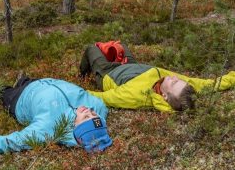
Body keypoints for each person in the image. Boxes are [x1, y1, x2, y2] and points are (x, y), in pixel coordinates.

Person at [0, 77, 112, 153]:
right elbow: (99, 114)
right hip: (40, 82)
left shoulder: (50, 129)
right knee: (23, 80)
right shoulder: (97, 107)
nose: (89, 111)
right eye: (94, 115)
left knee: (1, 90)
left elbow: (12, 142)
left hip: (19, 99)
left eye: (86, 117)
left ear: (76, 128)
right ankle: (21, 80)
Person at [80, 42, 235, 112]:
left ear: (165, 96)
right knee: (121, 46)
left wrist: (73, 91)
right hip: (133, 66)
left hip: (109, 73)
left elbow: (106, 97)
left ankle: (82, 74)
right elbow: (211, 84)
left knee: (91, 49)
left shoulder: (139, 96)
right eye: (178, 80)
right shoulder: (185, 88)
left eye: (174, 83)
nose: (175, 77)